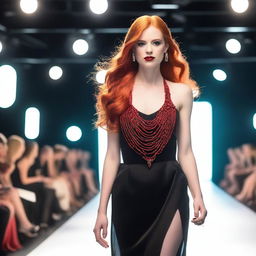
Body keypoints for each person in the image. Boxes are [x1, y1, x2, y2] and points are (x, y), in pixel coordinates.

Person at [93, 15, 207, 256]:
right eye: (141, 43)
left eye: (156, 43)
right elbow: (112, 156)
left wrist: (197, 195)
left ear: (166, 48)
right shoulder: (115, 95)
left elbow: (185, 150)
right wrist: (102, 209)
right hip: (129, 193)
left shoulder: (182, 93)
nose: (149, 49)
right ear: (132, 50)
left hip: (171, 187)